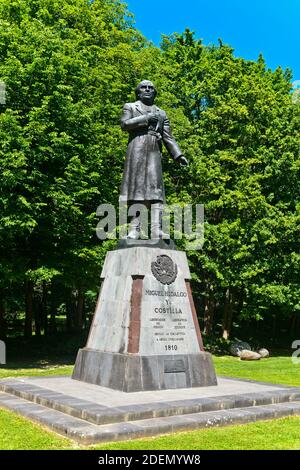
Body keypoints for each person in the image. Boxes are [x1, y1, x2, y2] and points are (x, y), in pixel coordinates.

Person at [120, 80, 188, 239]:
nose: (147, 89)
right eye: (144, 87)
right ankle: (134, 229)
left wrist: (178, 155)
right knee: (136, 190)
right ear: (138, 92)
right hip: (136, 148)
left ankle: (156, 229)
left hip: (153, 151)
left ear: (154, 92)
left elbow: (168, 137)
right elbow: (124, 124)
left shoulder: (161, 113)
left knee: (156, 191)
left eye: (151, 88)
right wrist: (146, 118)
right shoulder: (130, 106)